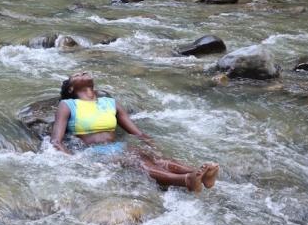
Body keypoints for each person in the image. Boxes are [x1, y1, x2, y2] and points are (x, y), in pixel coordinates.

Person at [49, 71, 219, 192]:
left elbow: (136, 132)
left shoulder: (110, 103)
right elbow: (56, 141)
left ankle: (202, 175)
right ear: (71, 89)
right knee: (139, 163)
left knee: (156, 159)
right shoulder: (67, 105)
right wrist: (74, 162)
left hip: (117, 146)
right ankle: (186, 180)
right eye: (77, 75)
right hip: (93, 153)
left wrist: (152, 146)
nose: (83, 72)